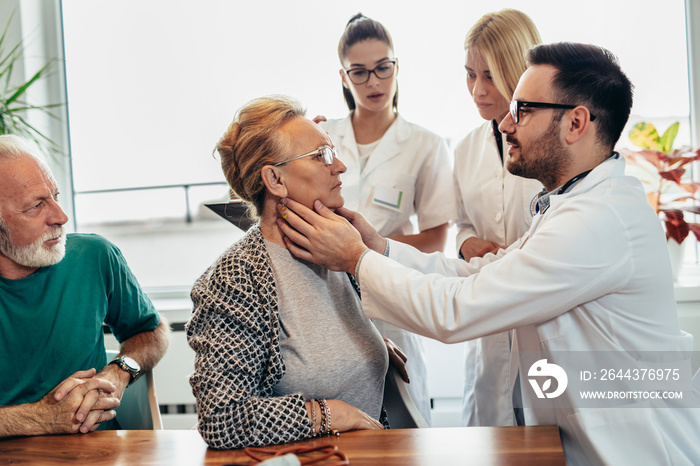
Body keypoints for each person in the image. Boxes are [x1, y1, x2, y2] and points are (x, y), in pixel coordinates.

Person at [276, 43, 700, 464]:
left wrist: (355, 259)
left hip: (640, 448)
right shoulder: (569, 206)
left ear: (576, 123)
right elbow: (477, 275)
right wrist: (378, 246)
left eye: (524, 109)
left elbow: (457, 309)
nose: (505, 124)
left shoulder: (598, 220)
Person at [186, 95, 404, 450]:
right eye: (322, 156)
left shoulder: (333, 251)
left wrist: (369, 345)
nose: (341, 166)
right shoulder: (236, 279)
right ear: (275, 179)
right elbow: (222, 419)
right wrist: (326, 414)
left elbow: (313, 342)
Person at [316, 14, 459, 423]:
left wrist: (364, 248)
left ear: (396, 68)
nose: (374, 83)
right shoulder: (322, 137)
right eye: (359, 73)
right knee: (337, 425)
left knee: (406, 427)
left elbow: (435, 238)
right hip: (327, 304)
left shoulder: (425, 145)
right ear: (344, 77)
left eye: (382, 68)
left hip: (391, 305)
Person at [0, 135, 170, 437]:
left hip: (98, 450)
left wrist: (119, 372)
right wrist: (38, 418)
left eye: (55, 195)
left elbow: (151, 331)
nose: (61, 217)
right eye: (36, 206)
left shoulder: (94, 256)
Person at [455, 9, 543, 427]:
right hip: (488, 321)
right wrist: (466, 243)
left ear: (519, 71)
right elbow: (462, 223)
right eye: (470, 74)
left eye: (490, 75)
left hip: (542, 318)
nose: (477, 89)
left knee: (549, 438)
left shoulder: (551, 144)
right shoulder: (465, 149)